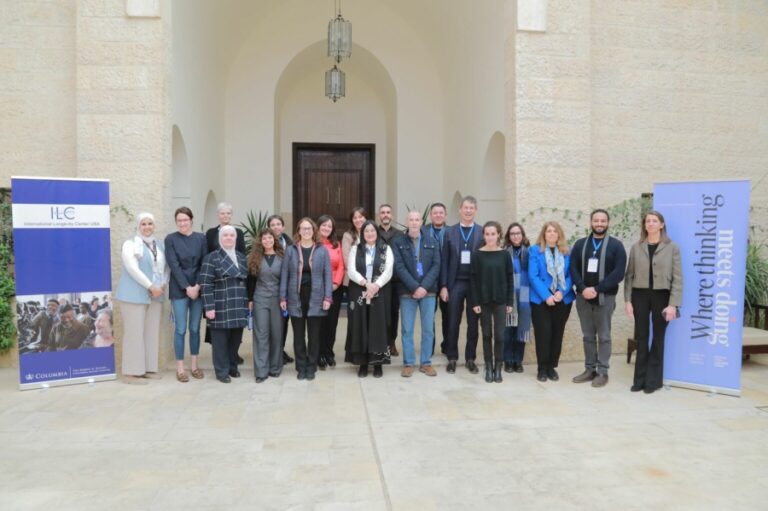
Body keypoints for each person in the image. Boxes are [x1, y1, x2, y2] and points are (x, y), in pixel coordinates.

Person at [624, 210, 683, 394]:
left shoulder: (672, 247)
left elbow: (678, 278)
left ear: (661, 225)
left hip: (662, 296)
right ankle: (639, 380)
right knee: (641, 337)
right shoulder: (636, 247)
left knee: (658, 337)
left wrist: (673, 304)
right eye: (648, 221)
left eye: (654, 221)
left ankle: (653, 381)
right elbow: (629, 276)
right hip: (640, 295)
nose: (650, 224)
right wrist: (628, 301)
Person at [570, 209, 627, 388]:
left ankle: (602, 372)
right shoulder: (580, 245)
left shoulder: (616, 246)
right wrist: (583, 288)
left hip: (605, 297)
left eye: (603, 221)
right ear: (591, 222)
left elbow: (618, 273)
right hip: (583, 298)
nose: (599, 224)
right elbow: (573, 269)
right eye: (596, 220)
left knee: (604, 336)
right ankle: (589, 370)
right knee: (588, 335)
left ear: (608, 223)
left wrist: (596, 289)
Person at [114, 212, 169, 383]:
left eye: (150, 223)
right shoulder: (130, 244)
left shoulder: (159, 245)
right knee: (134, 333)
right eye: (143, 224)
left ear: (154, 226)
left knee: (151, 332)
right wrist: (151, 286)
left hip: (156, 295)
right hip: (134, 295)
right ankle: (131, 373)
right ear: (138, 226)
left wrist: (162, 284)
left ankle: (148, 368)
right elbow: (132, 268)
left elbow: (166, 268)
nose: (147, 227)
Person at [279, 218, 333, 381]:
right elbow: (285, 274)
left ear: (313, 230)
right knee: (298, 335)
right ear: (299, 231)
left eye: (309, 228)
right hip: (295, 296)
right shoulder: (291, 250)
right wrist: (283, 297)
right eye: (303, 228)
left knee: (314, 336)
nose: (306, 231)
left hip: (316, 296)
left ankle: (311, 366)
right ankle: (301, 366)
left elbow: (328, 275)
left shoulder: (322, 250)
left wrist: (328, 297)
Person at [392, 210, 440, 377]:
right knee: (407, 330)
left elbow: (436, 266)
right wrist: (414, 287)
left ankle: (425, 363)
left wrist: (424, 287)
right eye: (411, 219)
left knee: (428, 330)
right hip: (407, 292)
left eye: (417, 219)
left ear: (421, 222)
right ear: (407, 222)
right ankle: (408, 363)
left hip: (428, 292)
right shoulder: (398, 242)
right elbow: (399, 267)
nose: (414, 222)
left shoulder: (432, 242)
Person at [439, 195, 484, 374]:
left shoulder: (482, 232)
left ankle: (470, 358)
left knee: (473, 323)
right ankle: (452, 357)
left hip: (475, 284)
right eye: (465, 207)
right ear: (460, 210)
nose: (468, 211)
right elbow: (444, 260)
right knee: (453, 321)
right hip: (455, 282)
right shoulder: (449, 232)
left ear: (476, 210)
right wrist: (443, 286)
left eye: (471, 208)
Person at [200, 225, 249, 383]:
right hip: (220, 303)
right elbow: (205, 284)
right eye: (225, 235)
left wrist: (247, 302)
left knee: (235, 340)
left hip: (238, 303)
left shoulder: (242, 257)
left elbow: (246, 282)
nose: (228, 238)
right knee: (220, 342)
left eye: (231, 235)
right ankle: (221, 371)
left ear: (236, 238)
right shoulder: (211, 257)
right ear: (220, 238)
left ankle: (232, 367)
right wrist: (209, 307)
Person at [345, 221, 394, 378]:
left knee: (377, 326)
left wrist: (375, 286)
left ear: (377, 233)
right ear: (362, 233)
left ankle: (378, 363)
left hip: (379, 292)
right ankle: (363, 364)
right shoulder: (355, 249)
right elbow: (351, 270)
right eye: (366, 231)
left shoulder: (385, 249)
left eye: (372, 230)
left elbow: (388, 270)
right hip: (359, 291)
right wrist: (366, 284)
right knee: (360, 325)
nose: (370, 233)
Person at [528, 221, 575, 383]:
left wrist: (562, 292)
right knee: (543, 334)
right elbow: (533, 275)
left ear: (559, 234)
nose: (552, 233)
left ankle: (551, 367)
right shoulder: (535, 250)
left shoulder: (567, 251)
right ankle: (542, 368)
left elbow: (571, 275)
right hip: (541, 300)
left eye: (555, 231)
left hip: (562, 299)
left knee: (557, 333)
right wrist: (546, 295)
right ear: (544, 234)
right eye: (549, 231)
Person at [165, 206, 208, 383]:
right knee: (181, 329)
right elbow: (173, 265)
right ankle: (181, 368)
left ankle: (195, 366)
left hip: (198, 289)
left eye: (185, 220)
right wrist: (187, 287)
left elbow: (204, 263)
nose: (182, 223)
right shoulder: (171, 239)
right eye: (179, 220)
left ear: (191, 220)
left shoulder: (201, 238)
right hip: (179, 289)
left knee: (195, 328)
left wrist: (197, 286)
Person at [470, 221, 515, 383]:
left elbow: (510, 278)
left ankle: (498, 367)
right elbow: (473, 280)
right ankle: (488, 366)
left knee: (500, 336)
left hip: (501, 301)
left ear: (498, 235)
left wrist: (510, 302)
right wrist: (475, 302)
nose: (490, 237)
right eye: (487, 234)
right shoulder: (477, 255)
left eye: (493, 234)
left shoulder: (504, 255)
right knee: (487, 334)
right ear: (483, 235)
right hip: (483, 301)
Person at [204, 202, 247, 363]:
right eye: (222, 213)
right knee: (218, 328)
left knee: (236, 327)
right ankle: (221, 358)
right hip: (218, 283)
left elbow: (241, 254)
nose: (225, 216)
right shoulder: (210, 233)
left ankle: (232, 355)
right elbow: (206, 254)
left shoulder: (238, 233)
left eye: (228, 213)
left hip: (235, 285)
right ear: (218, 215)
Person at [247, 229, 285, 383]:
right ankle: (261, 371)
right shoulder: (254, 258)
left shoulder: (283, 257)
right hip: (260, 298)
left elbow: (286, 279)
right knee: (261, 334)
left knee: (276, 333)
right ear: (260, 241)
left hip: (278, 299)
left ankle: (275, 368)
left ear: (274, 240)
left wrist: (285, 298)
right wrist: (250, 299)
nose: (267, 240)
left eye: (270, 238)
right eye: (264, 238)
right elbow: (251, 280)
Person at [502, 223, 532, 373]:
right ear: (509, 236)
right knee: (508, 330)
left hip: (525, 294)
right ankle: (508, 360)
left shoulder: (529, 252)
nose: (515, 236)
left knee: (522, 327)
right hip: (509, 294)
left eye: (518, 233)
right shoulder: (503, 253)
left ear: (522, 235)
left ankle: (518, 361)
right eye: (512, 234)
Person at [317, 215, 345, 369]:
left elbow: (341, 266)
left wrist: (335, 283)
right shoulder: (313, 244)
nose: (326, 228)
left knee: (332, 322)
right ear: (318, 226)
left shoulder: (336, 245)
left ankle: (329, 352)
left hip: (334, 289)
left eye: (329, 226)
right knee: (319, 322)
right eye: (324, 225)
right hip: (317, 289)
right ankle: (319, 353)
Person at [378, 204, 405, 356]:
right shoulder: (373, 232)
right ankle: (380, 342)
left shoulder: (400, 234)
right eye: (383, 212)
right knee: (379, 312)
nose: (385, 215)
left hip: (395, 281)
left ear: (392, 215)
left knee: (394, 312)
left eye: (388, 212)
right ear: (379, 215)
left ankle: (391, 342)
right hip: (378, 281)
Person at [268, 213, 294, 365]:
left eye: (278, 224)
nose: (276, 227)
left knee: (284, 321)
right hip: (271, 289)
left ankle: (280, 350)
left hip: (287, 290)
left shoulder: (291, 243)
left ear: (283, 227)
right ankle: (272, 352)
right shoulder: (266, 243)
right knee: (272, 323)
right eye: (273, 225)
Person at [426, 202, 448, 356]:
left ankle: (447, 345)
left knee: (448, 316)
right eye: (435, 213)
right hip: (429, 280)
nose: (438, 215)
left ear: (445, 215)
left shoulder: (452, 231)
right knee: (429, 316)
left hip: (447, 280)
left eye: (441, 212)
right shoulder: (423, 231)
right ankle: (430, 346)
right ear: (430, 215)